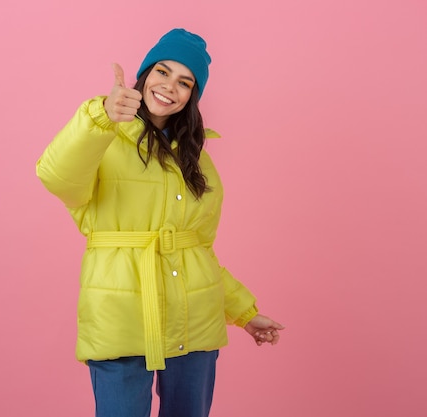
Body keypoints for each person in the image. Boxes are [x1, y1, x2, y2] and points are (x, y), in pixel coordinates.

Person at [36, 28, 284, 417]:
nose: (170, 87)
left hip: (195, 322)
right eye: (163, 72)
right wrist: (101, 115)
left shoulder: (197, 159)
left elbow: (197, 251)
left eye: (185, 82)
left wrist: (245, 313)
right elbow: (55, 175)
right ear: (145, 74)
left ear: (193, 95)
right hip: (120, 319)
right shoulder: (104, 135)